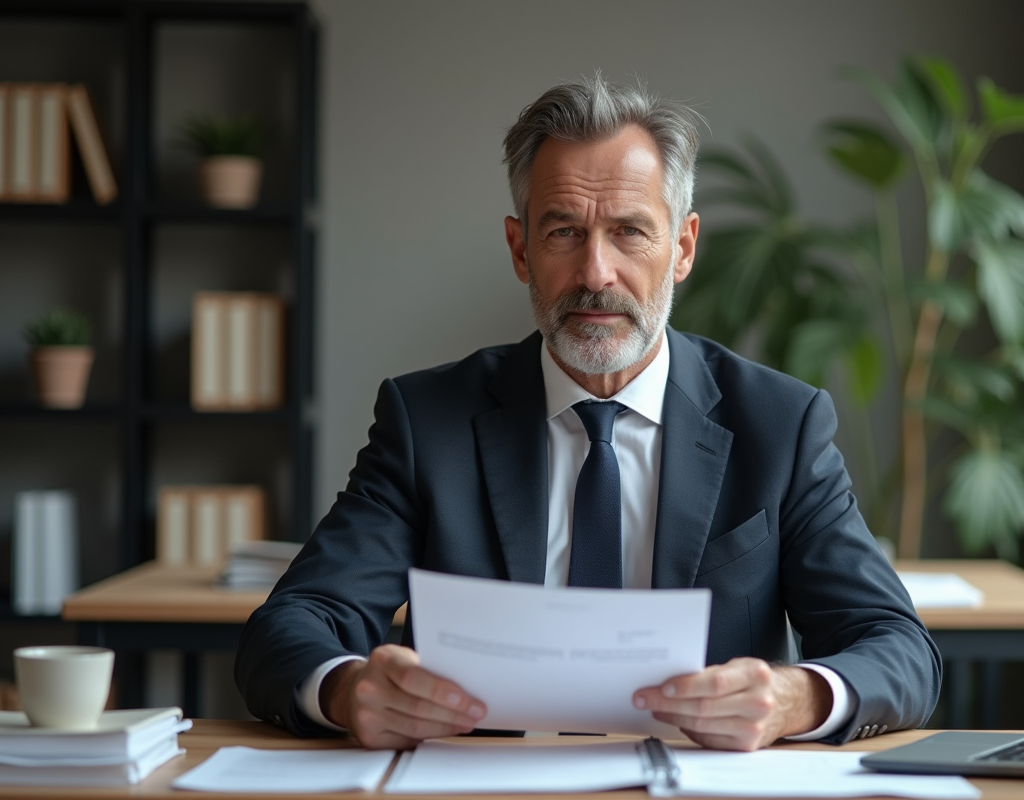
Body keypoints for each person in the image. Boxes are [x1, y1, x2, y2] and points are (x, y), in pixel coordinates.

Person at [235, 74, 941, 753]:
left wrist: (800, 698)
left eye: (630, 232)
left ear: (683, 248)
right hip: (480, 781)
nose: (596, 273)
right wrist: (346, 688)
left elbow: (899, 647)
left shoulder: (780, 425)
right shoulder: (428, 422)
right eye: (564, 232)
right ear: (520, 250)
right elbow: (292, 625)